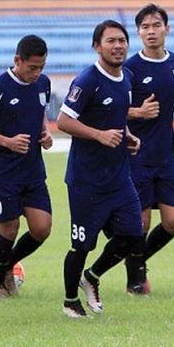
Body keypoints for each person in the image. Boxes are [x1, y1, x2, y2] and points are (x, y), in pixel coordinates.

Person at [57, 20, 143, 318]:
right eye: (111, 41)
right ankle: (70, 302)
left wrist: (127, 135)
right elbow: (63, 121)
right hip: (86, 180)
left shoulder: (127, 77)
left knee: (133, 235)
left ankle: (91, 277)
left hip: (119, 177)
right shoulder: (87, 80)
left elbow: (117, 117)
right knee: (81, 245)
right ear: (97, 46)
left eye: (122, 40)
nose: (118, 46)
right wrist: (99, 135)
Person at [0, 35, 53, 299]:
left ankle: (5, 266)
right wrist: (7, 141)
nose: (37, 73)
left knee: (42, 228)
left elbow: (40, 110)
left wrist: (45, 132)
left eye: (41, 67)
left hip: (33, 169)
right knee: (9, 229)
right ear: (17, 60)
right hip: (4, 172)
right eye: (32, 67)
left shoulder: (43, 83)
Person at [123, 4, 174, 294]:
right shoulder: (130, 68)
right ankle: (136, 281)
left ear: (167, 29)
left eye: (156, 25)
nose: (151, 31)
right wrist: (137, 113)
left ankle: (135, 263)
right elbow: (113, 109)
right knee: (141, 223)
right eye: (145, 27)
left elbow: (165, 95)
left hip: (166, 156)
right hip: (137, 157)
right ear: (138, 32)